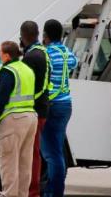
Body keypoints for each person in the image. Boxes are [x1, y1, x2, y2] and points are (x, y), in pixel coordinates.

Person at [0, 40, 38, 197]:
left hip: (13, 119)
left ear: (7, 56)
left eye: (0, 53)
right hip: (30, 118)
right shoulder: (26, 69)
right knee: (24, 164)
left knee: (8, 163)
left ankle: (9, 195)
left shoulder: (8, 71)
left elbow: (0, 99)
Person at [40, 19, 77, 197]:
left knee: (51, 154)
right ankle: (53, 189)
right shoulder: (66, 53)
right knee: (57, 151)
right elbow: (74, 62)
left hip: (52, 104)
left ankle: (54, 192)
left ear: (45, 35)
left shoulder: (47, 54)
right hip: (66, 104)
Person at [20, 22, 50, 197]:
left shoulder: (31, 57)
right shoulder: (43, 52)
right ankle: (33, 189)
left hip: (35, 110)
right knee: (34, 152)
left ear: (24, 36)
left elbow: (32, 86)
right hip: (42, 108)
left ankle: (31, 190)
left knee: (30, 154)